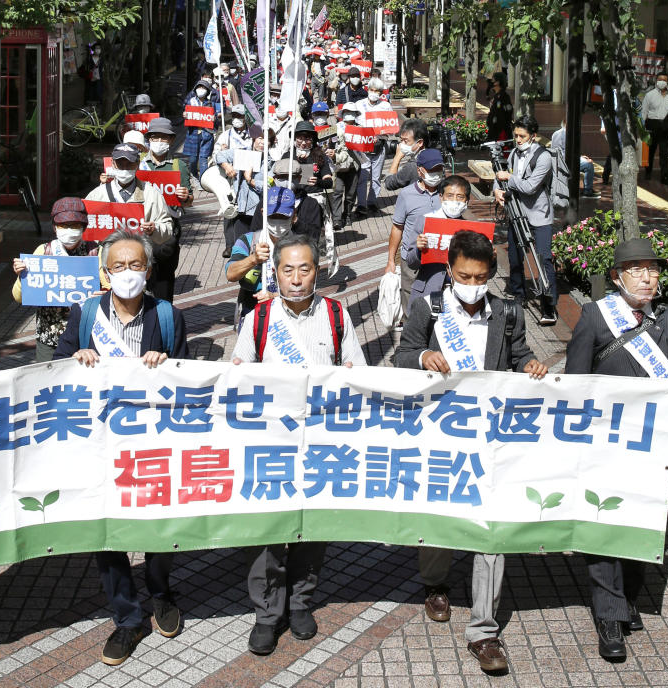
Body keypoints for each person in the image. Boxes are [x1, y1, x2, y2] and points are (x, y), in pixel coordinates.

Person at [395, 230, 547, 674]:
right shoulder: (428, 307)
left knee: (489, 531)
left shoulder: (506, 311)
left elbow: (518, 353)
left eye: (481, 277)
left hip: (492, 437)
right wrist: (423, 356)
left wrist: (529, 365)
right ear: (449, 271)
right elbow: (402, 356)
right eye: (464, 275)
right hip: (441, 436)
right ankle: (435, 583)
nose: (472, 284)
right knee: (441, 516)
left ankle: (484, 630)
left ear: (491, 277)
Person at [565, 238, 668, 661]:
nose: (648, 278)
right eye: (637, 270)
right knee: (602, 523)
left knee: (640, 522)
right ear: (617, 276)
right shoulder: (596, 317)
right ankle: (608, 616)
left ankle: (629, 597)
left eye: (653, 270)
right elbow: (575, 382)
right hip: (601, 443)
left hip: (649, 449)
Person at [54, 230, 189, 666]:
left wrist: (167, 365)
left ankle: (161, 594)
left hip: (152, 442)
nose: (127, 274)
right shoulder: (85, 313)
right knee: (106, 533)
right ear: (105, 272)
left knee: (158, 526)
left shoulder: (167, 315)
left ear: (148, 271)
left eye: (135, 266)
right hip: (100, 446)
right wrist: (75, 361)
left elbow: (187, 377)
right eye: (118, 266)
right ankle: (127, 618)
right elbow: (58, 368)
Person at [231, 233, 366, 655]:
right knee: (268, 532)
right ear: (275, 273)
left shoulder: (337, 315)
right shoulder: (258, 318)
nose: (295, 278)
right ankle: (267, 613)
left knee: (312, 530)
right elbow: (235, 379)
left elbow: (359, 376)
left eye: (303, 269)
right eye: (286, 270)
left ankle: (301, 601)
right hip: (270, 446)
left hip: (321, 445)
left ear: (317, 270)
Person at [11, 198, 100, 362]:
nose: (69, 230)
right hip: (49, 337)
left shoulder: (95, 252)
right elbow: (19, 297)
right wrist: (21, 276)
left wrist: (102, 293)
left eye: (75, 225)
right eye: (63, 226)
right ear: (54, 227)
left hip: (87, 336)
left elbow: (109, 289)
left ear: (84, 227)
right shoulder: (44, 251)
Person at [85, 143, 175, 299]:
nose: (125, 168)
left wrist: (154, 229)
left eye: (130, 163)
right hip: (106, 265)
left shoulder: (151, 193)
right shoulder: (97, 195)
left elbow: (167, 226)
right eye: (120, 163)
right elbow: (85, 230)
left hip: (138, 264)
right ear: (113, 164)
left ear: (138, 164)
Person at [493, 115, 558, 324]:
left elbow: (530, 187)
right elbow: (499, 177)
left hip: (539, 216)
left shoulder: (544, 157)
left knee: (544, 259)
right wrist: (496, 191)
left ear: (533, 136)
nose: (518, 140)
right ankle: (518, 294)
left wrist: (509, 179)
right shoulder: (513, 153)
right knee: (514, 257)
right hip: (516, 213)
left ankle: (549, 307)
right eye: (516, 136)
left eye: (522, 136)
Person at [227, 188, 306, 322]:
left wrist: (275, 297)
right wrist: (253, 259)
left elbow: (308, 289)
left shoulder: (303, 247)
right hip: (253, 313)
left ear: (294, 216)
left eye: (283, 216)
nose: (278, 222)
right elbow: (230, 274)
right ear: (263, 213)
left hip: (291, 316)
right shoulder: (248, 241)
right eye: (273, 216)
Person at [385, 148, 445, 318]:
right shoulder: (406, 194)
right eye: (431, 170)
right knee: (411, 303)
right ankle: (411, 335)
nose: (436, 174)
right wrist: (391, 260)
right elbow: (397, 227)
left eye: (439, 170)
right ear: (420, 171)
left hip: (438, 258)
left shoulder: (447, 192)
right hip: (412, 260)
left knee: (436, 302)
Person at [140, 118, 194, 301]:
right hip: (141, 225)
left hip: (168, 227)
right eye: (155, 137)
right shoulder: (138, 163)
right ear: (148, 139)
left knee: (164, 277)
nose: (159, 142)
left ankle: (164, 317)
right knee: (140, 274)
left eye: (164, 138)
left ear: (171, 140)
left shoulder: (179, 166)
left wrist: (185, 196)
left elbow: (188, 202)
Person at [406, 175, 480, 302]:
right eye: (450, 195)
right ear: (441, 197)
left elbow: (485, 272)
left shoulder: (472, 230)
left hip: (461, 296)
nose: (454, 200)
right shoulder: (425, 221)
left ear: (467, 200)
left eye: (460, 197)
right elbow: (411, 263)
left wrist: (492, 260)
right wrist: (419, 250)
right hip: (428, 292)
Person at [217, 124, 269, 255]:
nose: (262, 142)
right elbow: (220, 156)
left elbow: (268, 187)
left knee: (256, 246)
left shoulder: (270, 162)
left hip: (257, 211)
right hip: (241, 209)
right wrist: (227, 166)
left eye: (266, 139)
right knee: (240, 246)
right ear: (253, 139)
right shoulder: (242, 153)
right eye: (259, 138)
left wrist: (251, 181)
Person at [249, 158, 323, 241]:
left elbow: (314, 236)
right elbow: (255, 233)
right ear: (275, 178)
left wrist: (295, 221)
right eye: (282, 177)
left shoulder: (310, 204)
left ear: (299, 178)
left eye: (292, 177)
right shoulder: (266, 202)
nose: (287, 181)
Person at [357, 77, 394, 212]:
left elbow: (391, 127)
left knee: (376, 176)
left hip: (379, 144)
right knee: (363, 176)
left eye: (377, 91)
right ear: (368, 90)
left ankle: (372, 202)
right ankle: (361, 204)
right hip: (363, 146)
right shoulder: (359, 104)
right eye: (372, 90)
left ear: (380, 92)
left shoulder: (386, 106)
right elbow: (354, 124)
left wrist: (383, 133)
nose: (374, 93)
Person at [640, 72, 668, 184]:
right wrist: (642, 128)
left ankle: (664, 176)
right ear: (656, 81)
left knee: (663, 152)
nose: (662, 82)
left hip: (665, 125)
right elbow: (644, 112)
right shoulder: (649, 95)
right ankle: (648, 172)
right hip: (652, 125)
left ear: (667, 82)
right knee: (650, 151)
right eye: (660, 79)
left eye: (664, 80)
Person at [551, 120, 601, 199]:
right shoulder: (564, 134)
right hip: (566, 162)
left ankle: (588, 189)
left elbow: (568, 151)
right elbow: (565, 153)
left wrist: (581, 157)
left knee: (587, 163)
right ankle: (587, 191)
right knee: (588, 165)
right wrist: (580, 158)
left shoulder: (558, 133)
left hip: (564, 161)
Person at [182, 78, 217, 178]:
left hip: (206, 134)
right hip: (193, 133)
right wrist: (185, 115)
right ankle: (193, 175)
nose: (201, 89)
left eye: (203, 87)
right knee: (193, 160)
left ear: (207, 91)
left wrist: (215, 118)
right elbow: (186, 113)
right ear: (195, 89)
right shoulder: (191, 102)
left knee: (203, 158)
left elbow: (216, 118)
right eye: (199, 87)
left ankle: (203, 180)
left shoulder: (211, 104)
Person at [385, 118, 428, 191]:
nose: (401, 144)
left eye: (406, 141)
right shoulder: (434, 157)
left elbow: (389, 184)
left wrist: (396, 158)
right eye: (401, 140)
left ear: (420, 142)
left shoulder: (412, 166)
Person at [485, 72, 513, 143]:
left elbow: (506, 115)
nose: (491, 82)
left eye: (492, 80)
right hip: (494, 133)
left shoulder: (504, 97)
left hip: (501, 135)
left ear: (497, 82)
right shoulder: (496, 96)